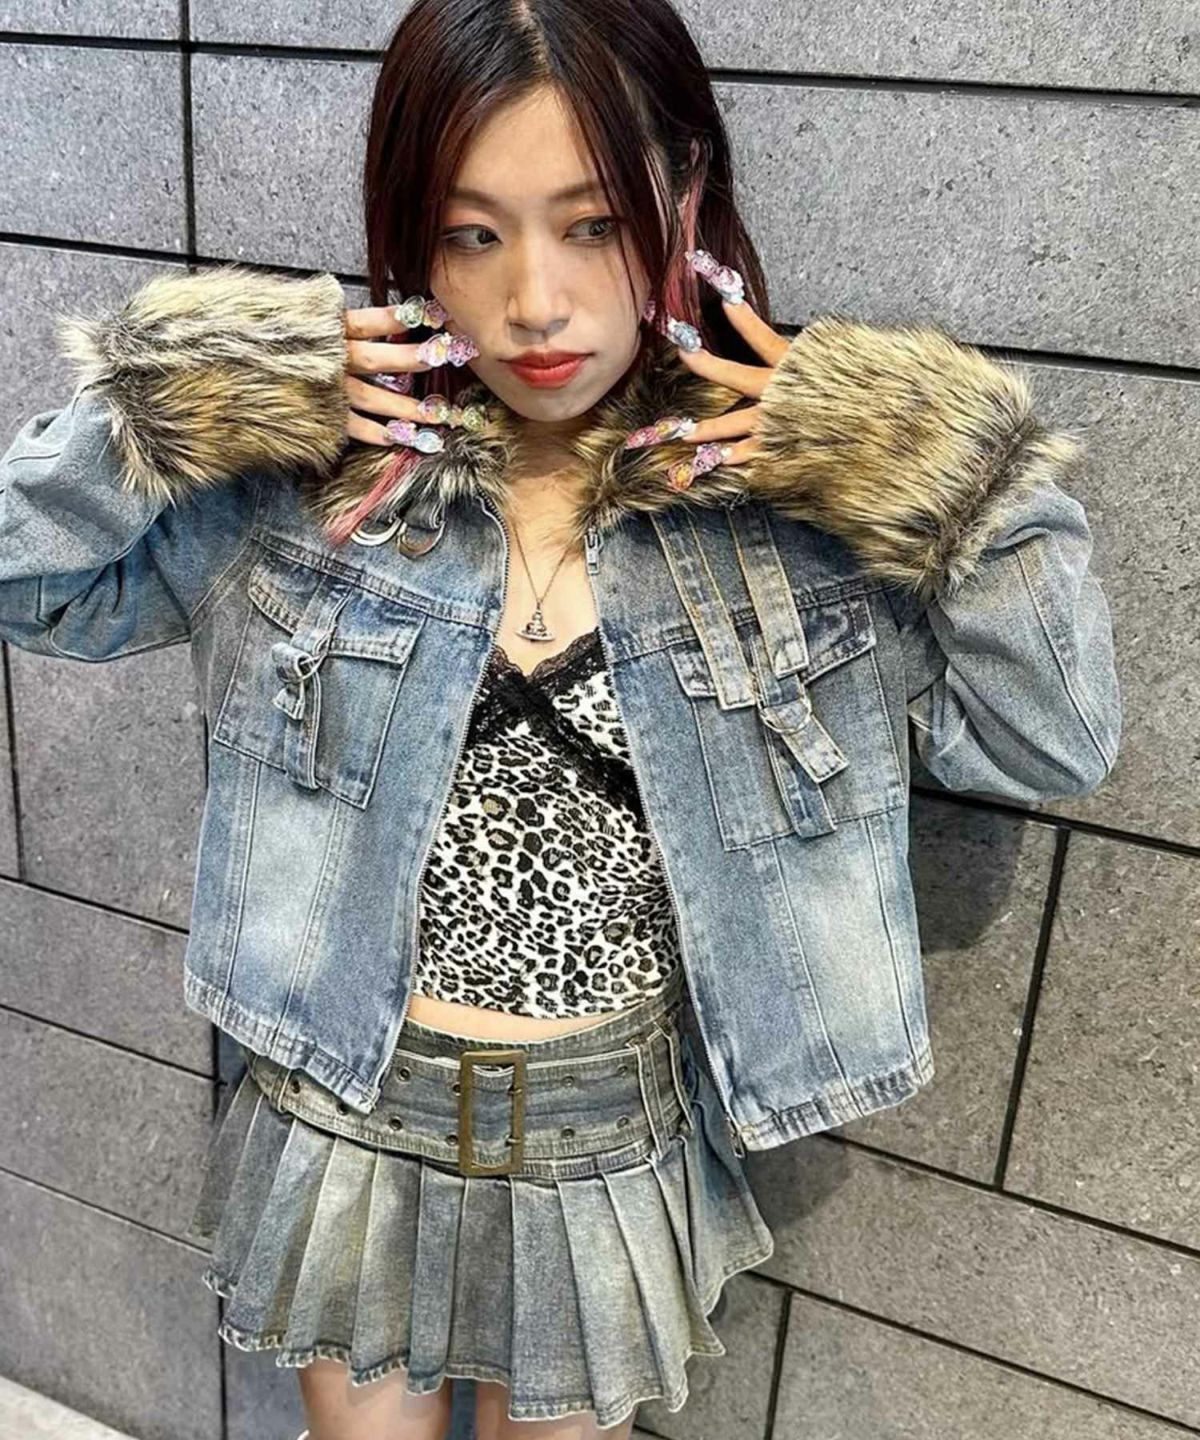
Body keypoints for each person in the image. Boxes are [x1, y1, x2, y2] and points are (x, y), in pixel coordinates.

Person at [0, 0, 1121, 1436]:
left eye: (592, 226)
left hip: (607, 1131)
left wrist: (947, 466)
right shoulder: (317, 479)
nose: (534, 302)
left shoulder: (786, 515)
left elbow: (1050, 736)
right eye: (472, 235)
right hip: (347, 1105)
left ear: (685, 196)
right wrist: (184, 395)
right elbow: (30, 581)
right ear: (413, 240)